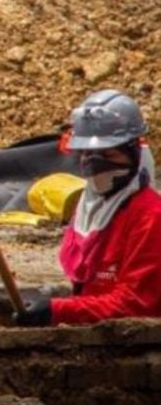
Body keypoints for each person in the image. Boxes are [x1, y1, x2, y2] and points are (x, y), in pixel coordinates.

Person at [13, 90, 161, 326]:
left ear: (134, 152)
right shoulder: (89, 209)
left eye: (107, 154)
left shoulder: (151, 217)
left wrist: (58, 310)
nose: (94, 163)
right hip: (96, 329)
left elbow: (135, 303)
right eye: (87, 154)